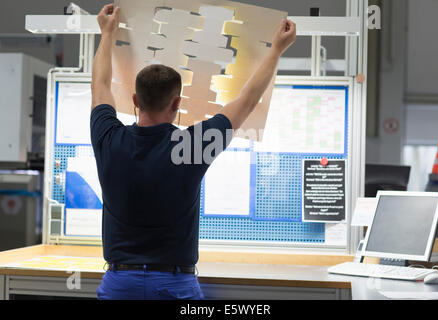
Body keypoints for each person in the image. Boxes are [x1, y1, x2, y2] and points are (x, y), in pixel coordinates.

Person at [91, 4, 296, 300]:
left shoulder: (108, 139)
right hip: (175, 286)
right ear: (177, 104)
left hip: (120, 285)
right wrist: (276, 50)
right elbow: (247, 100)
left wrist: (107, 33)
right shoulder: (191, 147)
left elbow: (99, 85)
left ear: (135, 99)